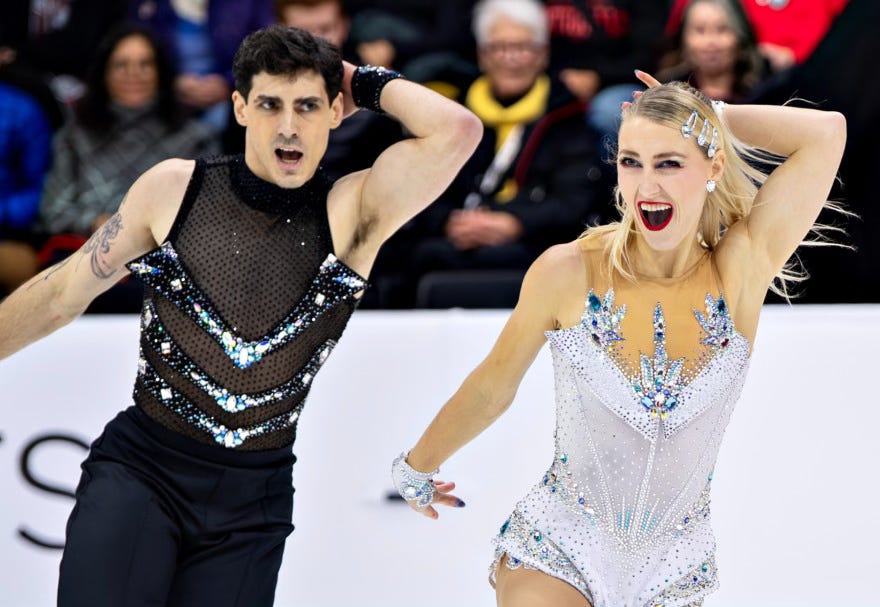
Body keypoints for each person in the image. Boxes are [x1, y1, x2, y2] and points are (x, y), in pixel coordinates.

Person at [0, 24, 481, 606]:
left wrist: (358, 80)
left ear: (336, 112)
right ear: (240, 108)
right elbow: (62, 293)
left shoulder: (355, 211)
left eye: (308, 106)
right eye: (270, 104)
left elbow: (457, 130)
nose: (288, 126)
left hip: (252, 504)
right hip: (142, 472)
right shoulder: (174, 189)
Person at [391, 70, 846, 606]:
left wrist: (707, 113)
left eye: (669, 163)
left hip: (674, 573)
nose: (646, 187)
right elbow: (494, 385)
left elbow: (826, 134)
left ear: (713, 166)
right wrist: (416, 465)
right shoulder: (568, 271)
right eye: (631, 162)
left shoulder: (740, 270)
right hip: (558, 549)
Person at [386, 0, 605, 308]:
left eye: (523, 47)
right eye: (499, 48)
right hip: (452, 243)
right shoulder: (452, 112)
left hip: (533, 244)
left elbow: (574, 200)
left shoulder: (566, 114)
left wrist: (515, 221)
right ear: (482, 55)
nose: (510, 58)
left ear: (543, 54)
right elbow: (421, 186)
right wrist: (449, 222)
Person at [39, 24, 219, 237]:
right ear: (104, 74)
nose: (133, 73)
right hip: (87, 247)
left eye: (145, 64)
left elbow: (210, 215)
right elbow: (53, 211)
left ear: (160, 73)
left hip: (166, 250)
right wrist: (95, 222)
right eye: (121, 65)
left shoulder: (195, 138)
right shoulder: (75, 137)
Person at [658, 0, 767, 103]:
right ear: (684, 38)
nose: (711, 42)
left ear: (741, 36)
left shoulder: (767, 93)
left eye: (722, 29)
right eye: (700, 30)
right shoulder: (667, 96)